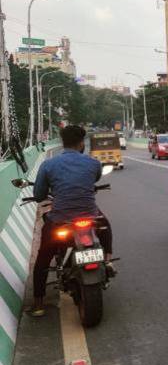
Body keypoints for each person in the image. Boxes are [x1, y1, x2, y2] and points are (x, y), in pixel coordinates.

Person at [30, 125, 115, 317]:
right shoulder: (93, 163)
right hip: (89, 216)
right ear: (81, 143)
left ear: (62, 142)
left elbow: (39, 195)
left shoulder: (48, 165)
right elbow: (93, 180)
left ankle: (38, 303)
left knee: (43, 257)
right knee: (106, 226)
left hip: (61, 218)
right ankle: (108, 259)